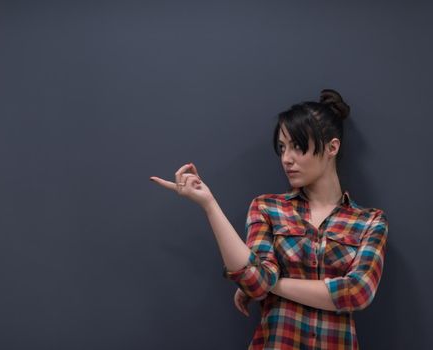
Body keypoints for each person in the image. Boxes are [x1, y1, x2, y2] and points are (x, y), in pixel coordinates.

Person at [149, 89, 388, 349]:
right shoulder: (268, 208)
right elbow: (254, 282)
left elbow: (356, 293)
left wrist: (272, 284)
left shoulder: (370, 221)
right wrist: (209, 204)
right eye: (282, 148)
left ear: (332, 147)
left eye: (297, 146)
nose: (286, 159)